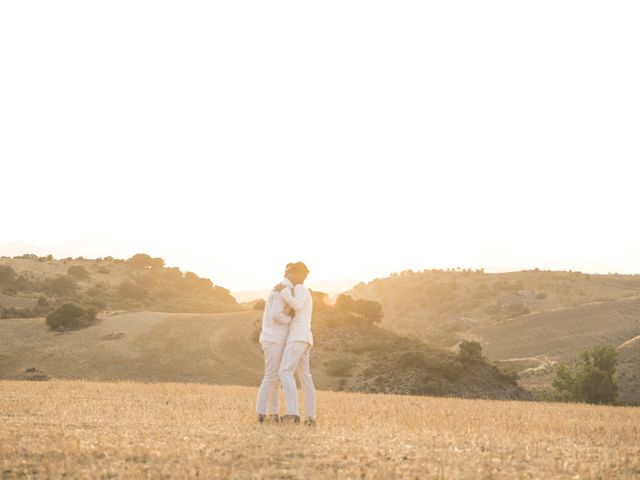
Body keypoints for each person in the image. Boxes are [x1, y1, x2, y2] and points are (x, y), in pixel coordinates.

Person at [275, 261, 316, 426]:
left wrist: (284, 292)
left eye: (290, 273)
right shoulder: (303, 290)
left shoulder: (299, 288)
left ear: (299, 275)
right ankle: (311, 417)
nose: (287, 276)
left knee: (284, 371)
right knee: (306, 378)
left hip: (297, 337)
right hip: (305, 337)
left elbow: (297, 305)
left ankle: (292, 414)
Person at [255, 263, 295, 423]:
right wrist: (291, 320)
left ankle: (273, 414)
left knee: (276, 378)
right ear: (293, 274)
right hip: (273, 338)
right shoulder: (282, 289)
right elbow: (276, 314)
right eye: (301, 275)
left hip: (274, 338)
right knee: (271, 376)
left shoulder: (283, 288)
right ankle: (261, 413)